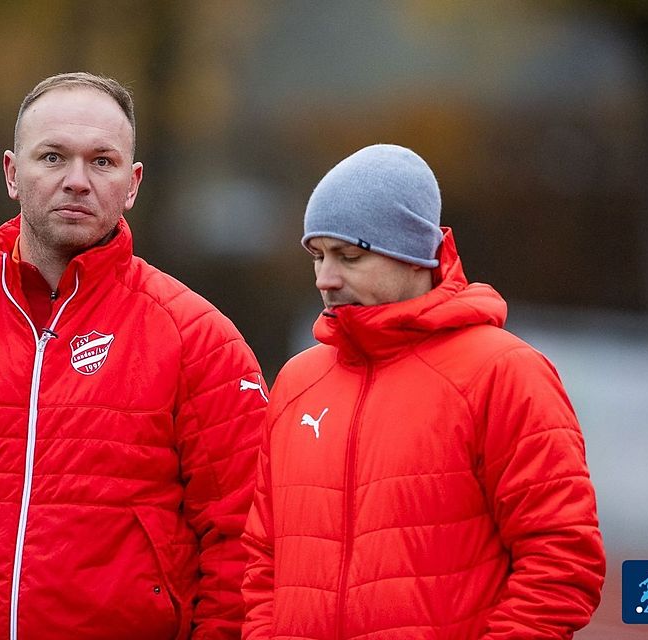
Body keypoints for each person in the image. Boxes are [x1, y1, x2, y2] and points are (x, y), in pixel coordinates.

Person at [0, 72, 267, 640]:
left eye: (102, 162)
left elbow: (244, 540)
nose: (77, 182)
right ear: (12, 173)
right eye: (53, 157)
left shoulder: (200, 341)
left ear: (133, 184)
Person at [241, 145, 606, 639]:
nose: (326, 279)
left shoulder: (505, 372)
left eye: (349, 255)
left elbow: (562, 561)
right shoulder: (298, 381)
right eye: (318, 256)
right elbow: (265, 561)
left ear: (415, 255)